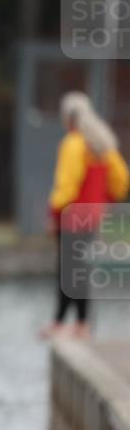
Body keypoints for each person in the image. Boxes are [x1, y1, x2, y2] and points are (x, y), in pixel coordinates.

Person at [42, 92, 129, 339]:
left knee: (68, 270)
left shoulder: (73, 144)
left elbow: (67, 186)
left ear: (68, 117)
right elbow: (121, 180)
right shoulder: (102, 145)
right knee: (77, 268)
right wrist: (106, 202)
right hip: (92, 217)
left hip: (71, 218)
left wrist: (53, 213)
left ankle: (65, 323)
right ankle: (79, 324)